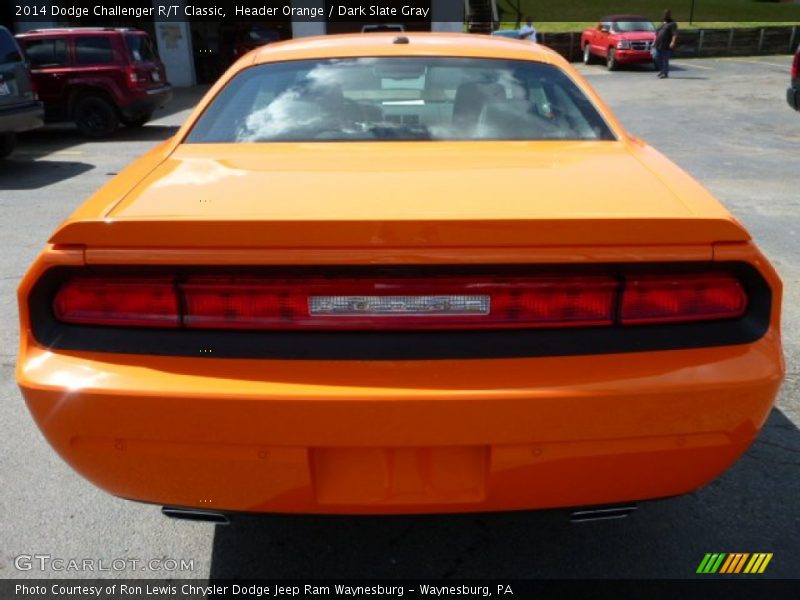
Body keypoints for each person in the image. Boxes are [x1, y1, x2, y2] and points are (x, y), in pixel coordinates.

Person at [654, 9, 678, 78]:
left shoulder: (672, 24)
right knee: (656, 57)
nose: (665, 15)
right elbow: (657, 33)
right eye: (664, 14)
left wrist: (672, 42)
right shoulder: (662, 23)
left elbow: (674, 34)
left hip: (666, 45)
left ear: (670, 15)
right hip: (658, 44)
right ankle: (663, 71)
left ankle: (665, 73)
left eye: (667, 14)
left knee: (665, 60)